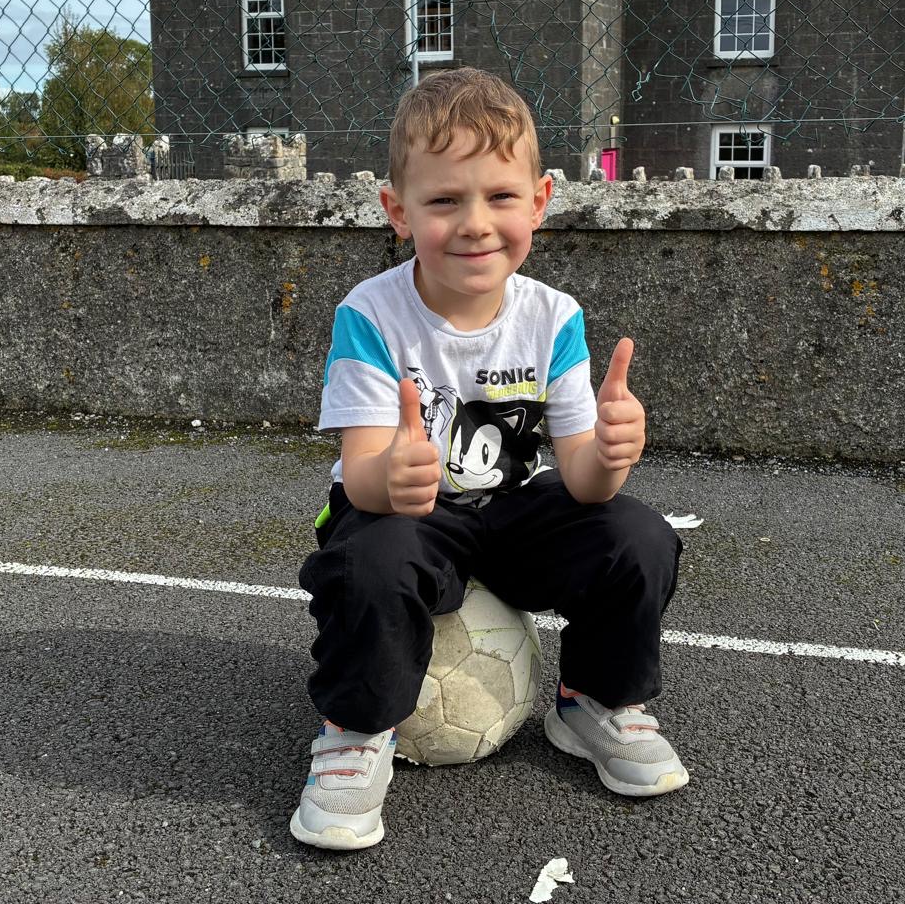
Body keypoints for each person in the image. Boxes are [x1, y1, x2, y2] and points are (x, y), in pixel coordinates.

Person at [291, 67, 688, 851]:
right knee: (371, 560)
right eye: (444, 201)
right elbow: (360, 473)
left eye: (500, 196)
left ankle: (593, 701)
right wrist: (391, 477)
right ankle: (356, 729)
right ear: (398, 212)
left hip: (506, 511)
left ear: (539, 201)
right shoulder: (370, 314)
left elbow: (582, 481)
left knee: (637, 536)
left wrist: (612, 454)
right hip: (401, 514)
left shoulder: (553, 317)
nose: (476, 223)